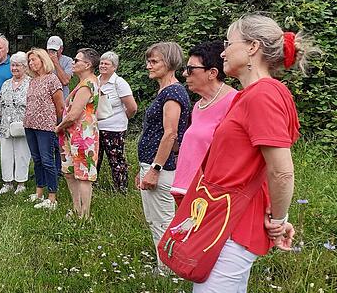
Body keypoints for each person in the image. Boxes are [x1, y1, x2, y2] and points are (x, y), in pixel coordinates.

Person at [188, 14, 315, 293]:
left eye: (229, 43)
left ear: (254, 47)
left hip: (231, 225)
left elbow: (282, 171)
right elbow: (257, 168)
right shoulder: (256, 95)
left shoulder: (263, 95)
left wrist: (278, 219)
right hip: (232, 219)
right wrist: (275, 213)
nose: (224, 52)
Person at [136, 42, 191, 270]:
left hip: (161, 168)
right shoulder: (164, 90)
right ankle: (164, 265)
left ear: (169, 63)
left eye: (154, 61)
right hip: (151, 164)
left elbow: (170, 134)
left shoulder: (173, 92)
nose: (149, 65)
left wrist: (154, 169)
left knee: (163, 221)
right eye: (149, 61)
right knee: (155, 219)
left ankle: (168, 271)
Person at [171, 41, 237, 206]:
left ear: (212, 73)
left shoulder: (235, 102)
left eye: (191, 69)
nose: (185, 74)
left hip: (213, 196)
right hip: (187, 191)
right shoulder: (199, 106)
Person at [56, 48, 101, 220]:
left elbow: (74, 115)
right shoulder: (82, 83)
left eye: (76, 60)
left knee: (83, 175)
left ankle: (84, 214)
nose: (73, 63)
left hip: (83, 136)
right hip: (71, 135)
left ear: (87, 65)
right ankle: (76, 208)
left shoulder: (88, 84)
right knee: (69, 172)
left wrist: (58, 127)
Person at [24, 48, 64, 210]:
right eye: (29, 61)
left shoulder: (52, 79)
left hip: (46, 126)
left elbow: (60, 106)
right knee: (37, 159)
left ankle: (52, 196)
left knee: (48, 160)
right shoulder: (32, 81)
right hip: (30, 125)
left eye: (34, 60)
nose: (31, 63)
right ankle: (39, 192)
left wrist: (58, 126)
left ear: (43, 60)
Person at [96, 51, 137, 193]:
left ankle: (121, 189)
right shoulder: (95, 81)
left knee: (116, 159)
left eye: (107, 63)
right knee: (95, 158)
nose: (103, 66)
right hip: (96, 127)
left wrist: (121, 118)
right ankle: (91, 187)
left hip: (114, 128)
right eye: (101, 63)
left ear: (114, 67)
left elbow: (132, 107)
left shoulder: (119, 83)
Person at [0, 52, 31, 195]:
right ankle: (7, 182)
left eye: (17, 65)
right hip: (5, 126)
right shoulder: (6, 84)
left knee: (22, 154)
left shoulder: (30, 83)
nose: (14, 68)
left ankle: (21, 183)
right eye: (12, 65)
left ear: (25, 67)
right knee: (6, 155)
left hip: (22, 126)